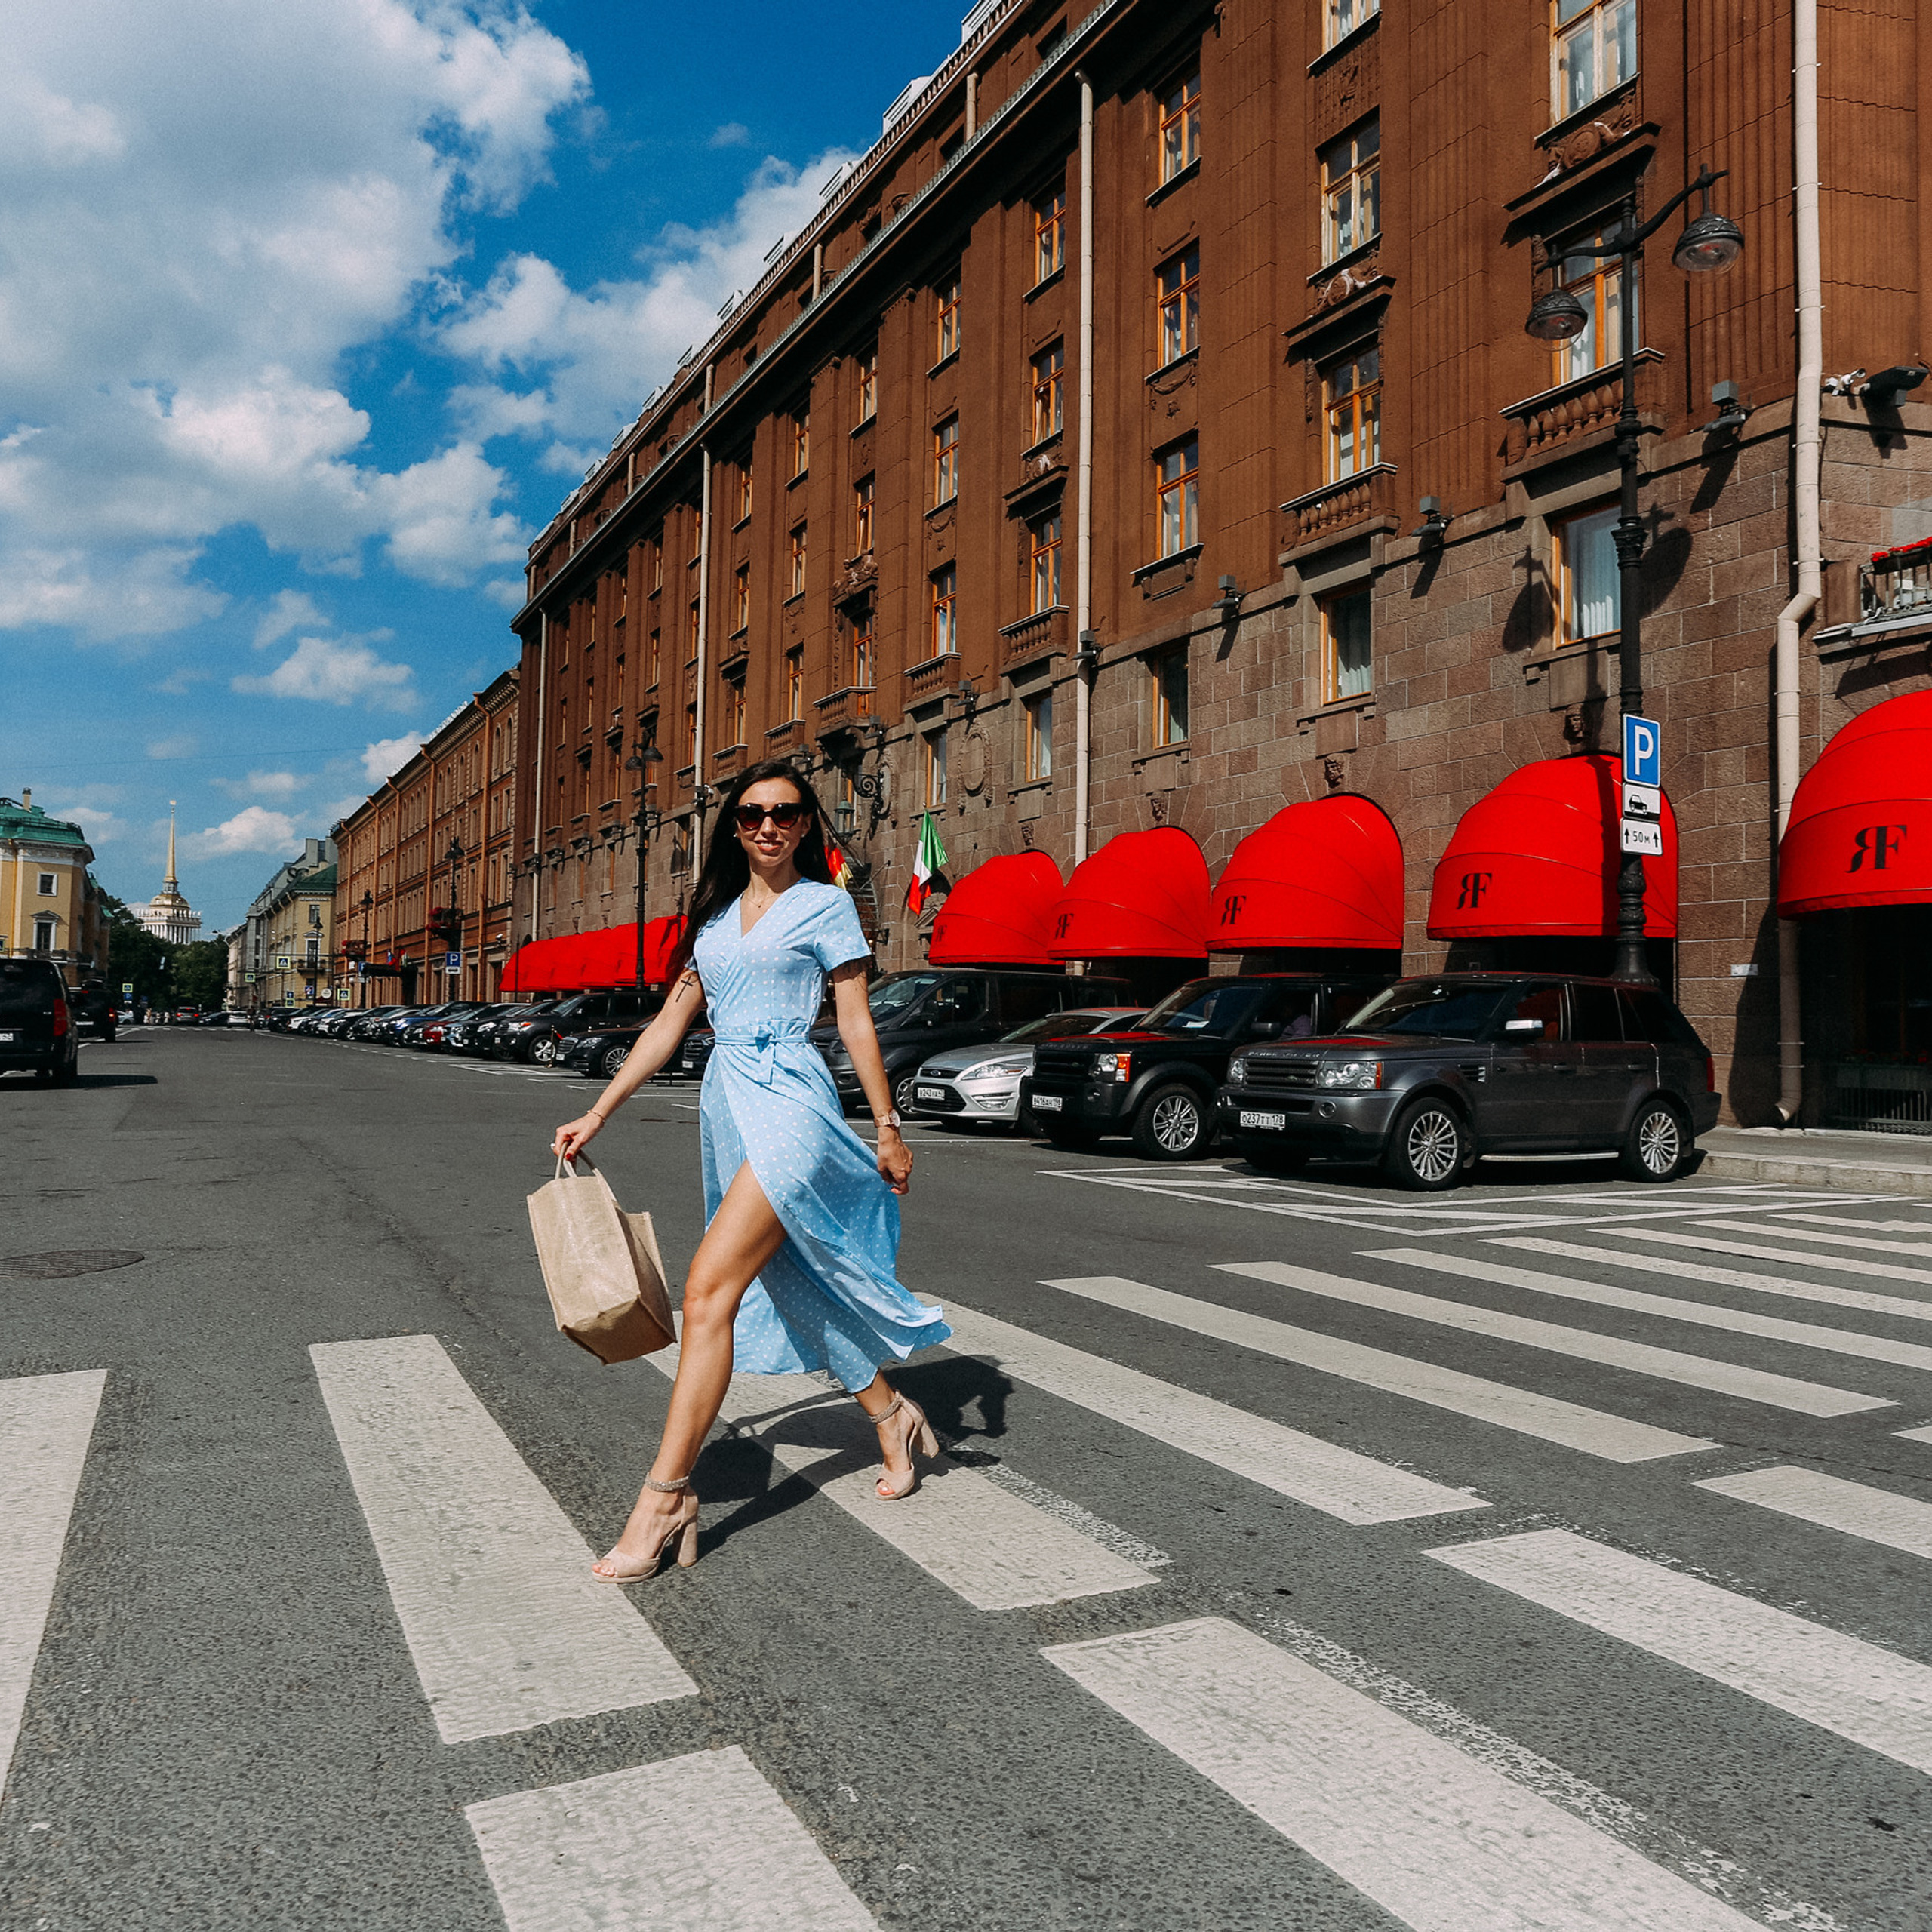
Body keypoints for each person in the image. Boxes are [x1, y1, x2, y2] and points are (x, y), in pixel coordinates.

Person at [552, 759, 953, 1582]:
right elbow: (668, 1024)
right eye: (751, 814)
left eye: (785, 812)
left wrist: (887, 1127)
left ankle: (666, 1497)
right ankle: (891, 1413)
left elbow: (855, 1021)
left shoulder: (826, 904)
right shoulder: (713, 919)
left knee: (708, 1292)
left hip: (794, 1104)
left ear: (806, 824)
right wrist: (599, 1112)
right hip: (730, 1104)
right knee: (787, 1277)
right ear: (733, 828)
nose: (768, 826)